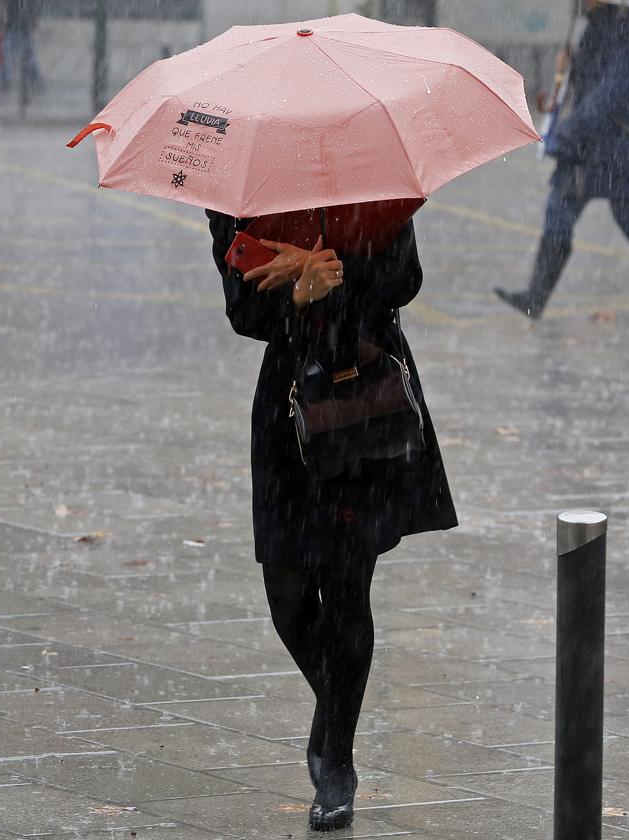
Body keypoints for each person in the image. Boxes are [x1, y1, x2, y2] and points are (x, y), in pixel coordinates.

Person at [205, 212, 457, 831]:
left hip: (365, 390)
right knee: (288, 599)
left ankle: (337, 759)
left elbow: (404, 279)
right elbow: (243, 309)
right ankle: (335, 707)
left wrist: (332, 275)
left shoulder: (373, 186)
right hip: (290, 404)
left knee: (347, 586)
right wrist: (297, 290)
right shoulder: (242, 198)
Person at [495, 0, 629, 321]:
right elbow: (587, 87)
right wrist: (567, 68)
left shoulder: (628, 35)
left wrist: (572, 128)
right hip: (592, 145)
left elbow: (609, 94)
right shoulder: (596, 28)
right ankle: (536, 297)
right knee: (561, 205)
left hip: (623, 146)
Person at [0, 0, 43, 93]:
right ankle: (35, 76)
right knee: (26, 52)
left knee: (8, 51)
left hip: (17, 25)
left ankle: (6, 78)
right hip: (19, 25)